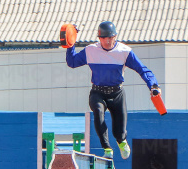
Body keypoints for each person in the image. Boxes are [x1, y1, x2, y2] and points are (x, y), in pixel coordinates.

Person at [66, 21, 161, 159]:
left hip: (117, 94)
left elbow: (142, 69)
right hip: (98, 92)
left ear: (115, 36)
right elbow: (72, 62)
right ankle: (107, 148)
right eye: (104, 38)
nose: (108, 41)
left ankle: (121, 141)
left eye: (111, 37)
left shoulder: (124, 52)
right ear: (99, 38)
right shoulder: (91, 50)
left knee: (119, 131)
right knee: (98, 113)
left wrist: (153, 85)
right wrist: (71, 43)